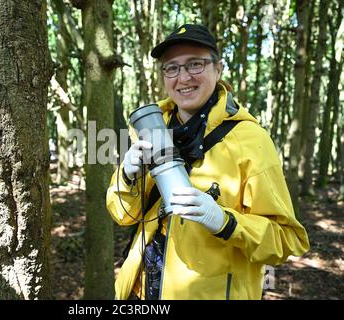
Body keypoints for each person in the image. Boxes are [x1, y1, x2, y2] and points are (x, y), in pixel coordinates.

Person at [106, 24, 310, 300]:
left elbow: (288, 240)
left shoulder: (251, 141)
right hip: (138, 292)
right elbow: (123, 215)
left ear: (218, 69)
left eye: (195, 64)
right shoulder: (153, 128)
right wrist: (127, 175)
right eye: (172, 68)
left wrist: (225, 222)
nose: (183, 77)